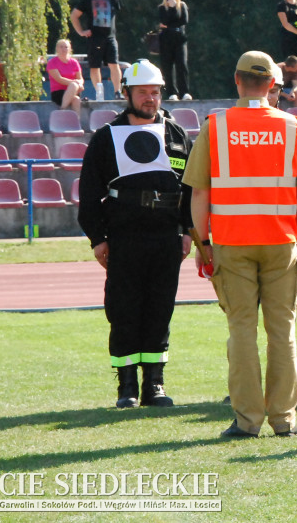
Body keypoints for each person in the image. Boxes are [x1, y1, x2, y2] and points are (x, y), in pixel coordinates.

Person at [183, 51, 297, 437]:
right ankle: (284, 419)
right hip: (281, 242)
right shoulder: (293, 127)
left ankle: (247, 421)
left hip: (231, 242)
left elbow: (199, 194)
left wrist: (201, 242)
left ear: (237, 81)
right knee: (283, 330)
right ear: (273, 84)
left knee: (241, 330)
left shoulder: (215, 126)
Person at [77, 59, 192, 409]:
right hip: (124, 237)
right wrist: (98, 239)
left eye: (155, 92)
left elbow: (191, 189)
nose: (150, 99)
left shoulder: (176, 133)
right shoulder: (106, 137)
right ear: (126, 92)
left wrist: (187, 230)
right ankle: (126, 386)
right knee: (124, 309)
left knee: (160, 309)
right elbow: (88, 193)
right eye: (142, 92)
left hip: (166, 238)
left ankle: (154, 384)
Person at [71, 0, 122, 98]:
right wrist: (81, 32)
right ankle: (99, 93)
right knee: (95, 66)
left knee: (114, 64)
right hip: (94, 38)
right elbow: (74, 16)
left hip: (110, 37)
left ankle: (118, 92)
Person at [158, 0, 191, 101]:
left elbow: (183, 20)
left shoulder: (182, 5)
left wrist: (174, 9)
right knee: (167, 66)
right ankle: (171, 92)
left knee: (182, 65)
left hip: (180, 39)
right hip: (166, 40)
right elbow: (164, 21)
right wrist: (171, 9)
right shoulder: (162, 8)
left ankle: (184, 92)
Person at [46, 38, 84, 114]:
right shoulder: (52, 63)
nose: (63, 49)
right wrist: (75, 83)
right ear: (57, 49)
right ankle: (62, 110)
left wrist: (79, 83)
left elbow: (80, 78)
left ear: (69, 49)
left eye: (66, 47)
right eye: (61, 47)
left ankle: (76, 123)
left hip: (74, 90)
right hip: (58, 92)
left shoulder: (74, 62)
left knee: (76, 99)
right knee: (73, 85)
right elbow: (59, 79)